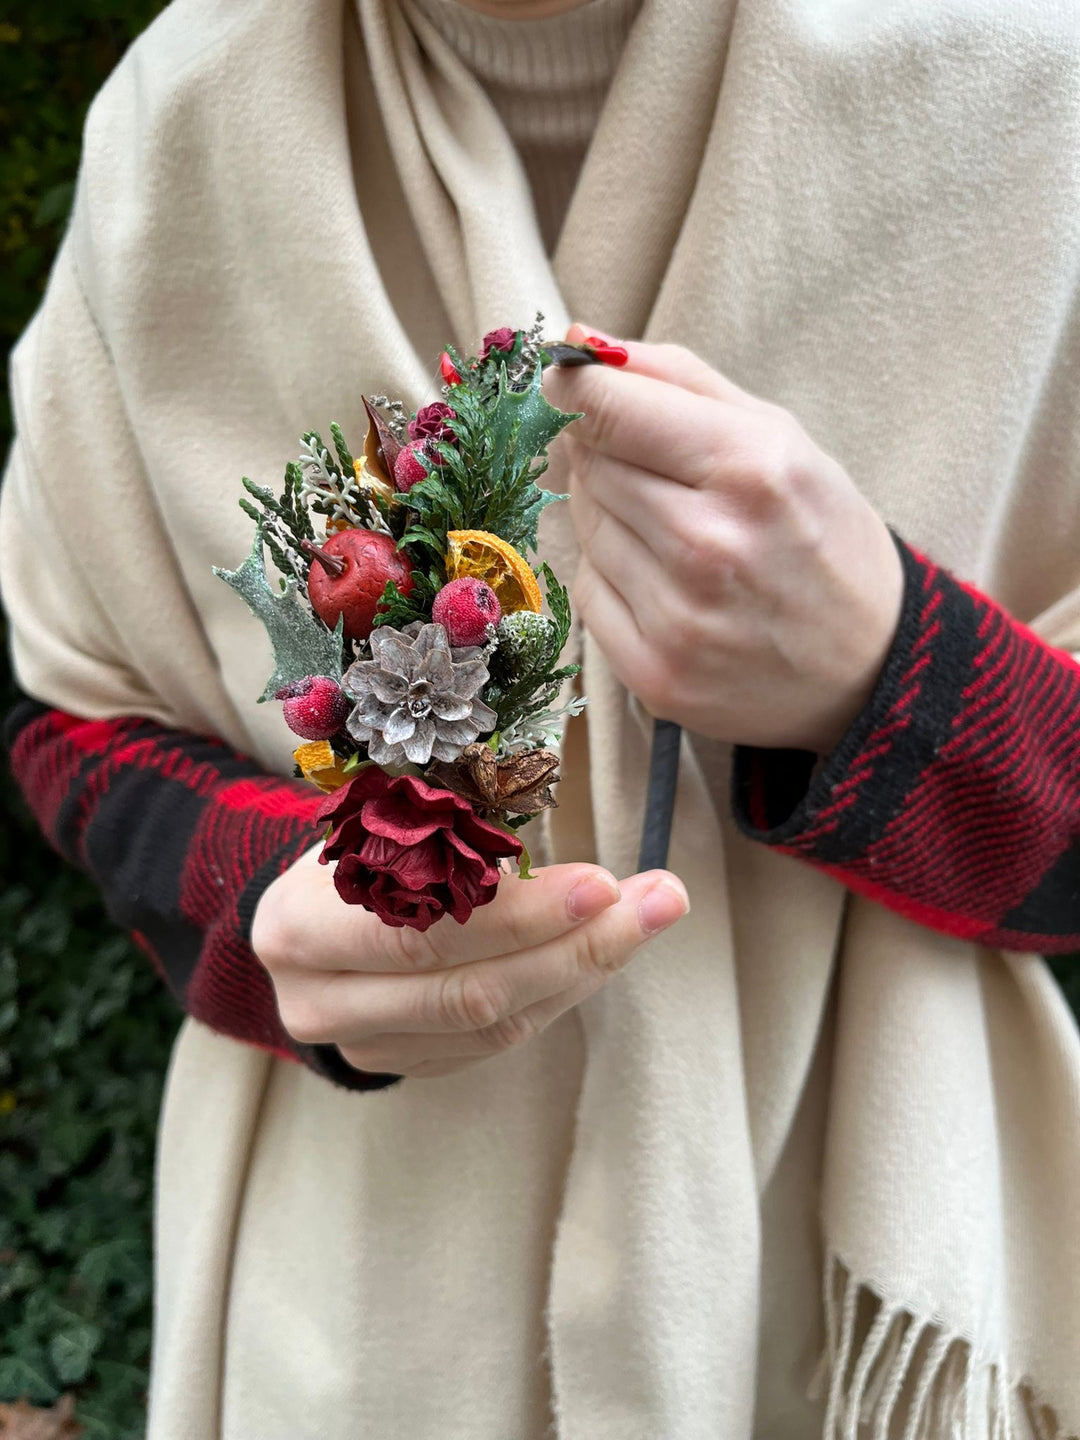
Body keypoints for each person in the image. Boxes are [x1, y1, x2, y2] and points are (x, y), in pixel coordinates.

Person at [3, 0, 1080, 1434]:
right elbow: (71, 719)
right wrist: (263, 908)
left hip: (862, 1285)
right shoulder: (174, 137)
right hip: (374, 1306)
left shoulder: (1028, 92)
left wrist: (886, 672)